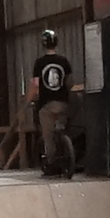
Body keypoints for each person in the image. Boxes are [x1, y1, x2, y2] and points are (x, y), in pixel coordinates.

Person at [32, 30, 81, 178]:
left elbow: (35, 85)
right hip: (63, 103)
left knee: (48, 136)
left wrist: (32, 99)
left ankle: (52, 163)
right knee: (63, 126)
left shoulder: (39, 63)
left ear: (43, 44)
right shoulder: (64, 61)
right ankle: (68, 148)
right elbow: (70, 82)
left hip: (46, 105)